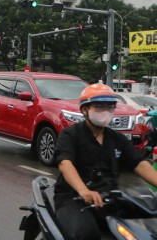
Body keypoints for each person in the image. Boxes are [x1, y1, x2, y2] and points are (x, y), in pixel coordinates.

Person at [54, 83, 157, 240]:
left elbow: (139, 164)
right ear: (84, 110)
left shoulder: (117, 139)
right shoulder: (71, 134)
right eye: (99, 107)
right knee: (87, 234)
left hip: (109, 198)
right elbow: (65, 163)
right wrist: (83, 190)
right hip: (74, 199)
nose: (105, 112)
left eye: (110, 107)